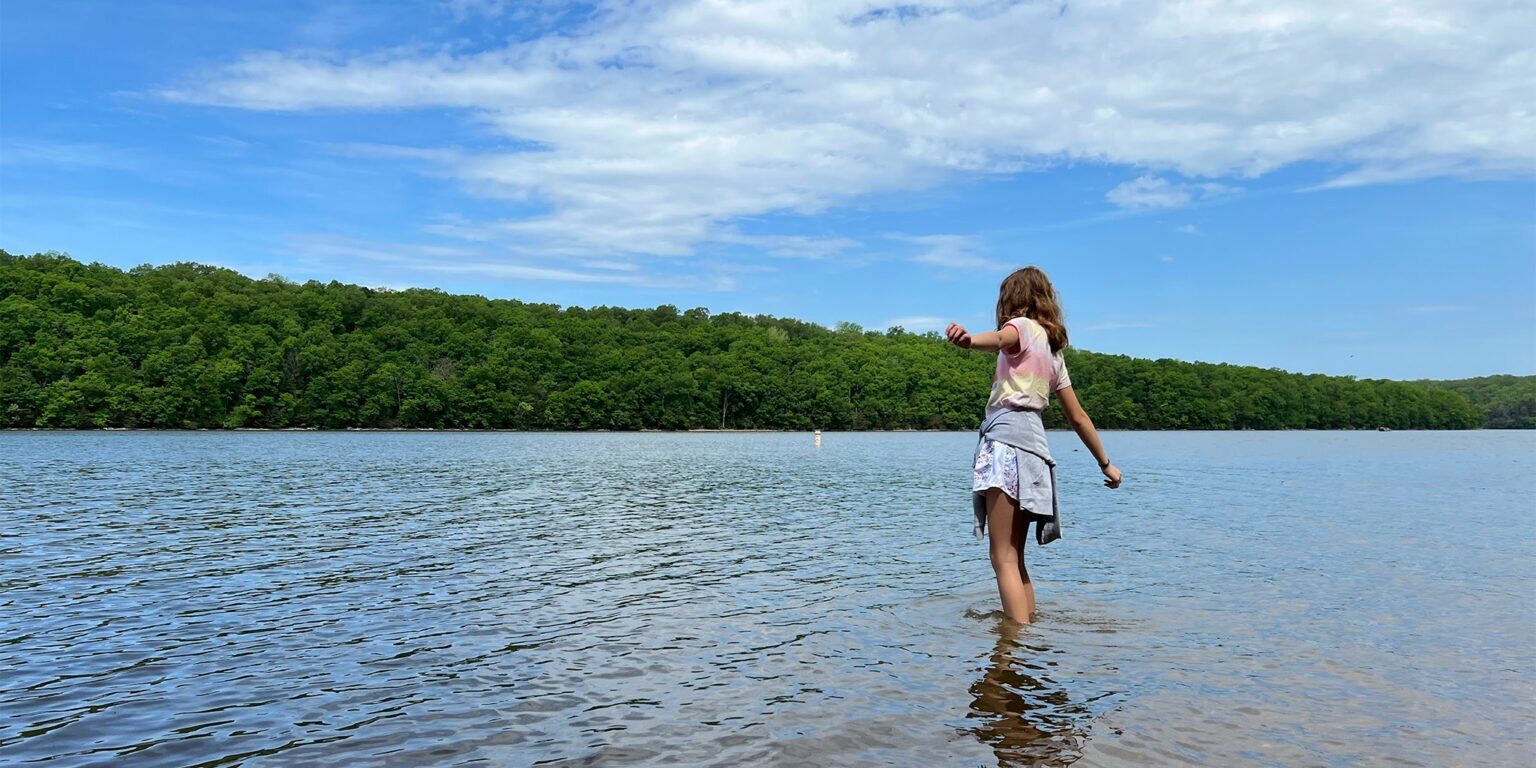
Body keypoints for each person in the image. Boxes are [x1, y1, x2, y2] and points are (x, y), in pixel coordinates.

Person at [945, 266, 1123, 623]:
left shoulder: (1022, 327)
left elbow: (997, 338)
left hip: (1007, 443)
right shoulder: (1055, 355)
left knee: (1002, 557)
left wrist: (968, 342)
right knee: (1016, 557)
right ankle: (1029, 641)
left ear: (1014, 300)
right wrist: (1106, 463)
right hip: (1036, 452)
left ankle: (1013, 643)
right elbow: (1078, 417)